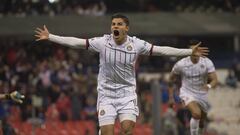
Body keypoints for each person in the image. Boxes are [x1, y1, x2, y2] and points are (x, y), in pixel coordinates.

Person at [34, 14, 209, 135]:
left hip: (127, 95)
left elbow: (162, 51)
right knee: (108, 132)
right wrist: (51, 37)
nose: (115, 27)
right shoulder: (103, 42)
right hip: (106, 95)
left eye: (119, 24)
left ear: (126, 28)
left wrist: (187, 52)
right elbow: (77, 43)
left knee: (127, 128)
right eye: (113, 24)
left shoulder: (137, 44)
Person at [168, 52, 218, 135]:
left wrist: (208, 86)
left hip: (201, 95)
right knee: (196, 114)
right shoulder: (181, 65)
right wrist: (171, 97)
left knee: (202, 120)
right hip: (187, 94)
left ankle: (200, 131)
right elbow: (171, 80)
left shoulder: (206, 64)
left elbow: (214, 80)